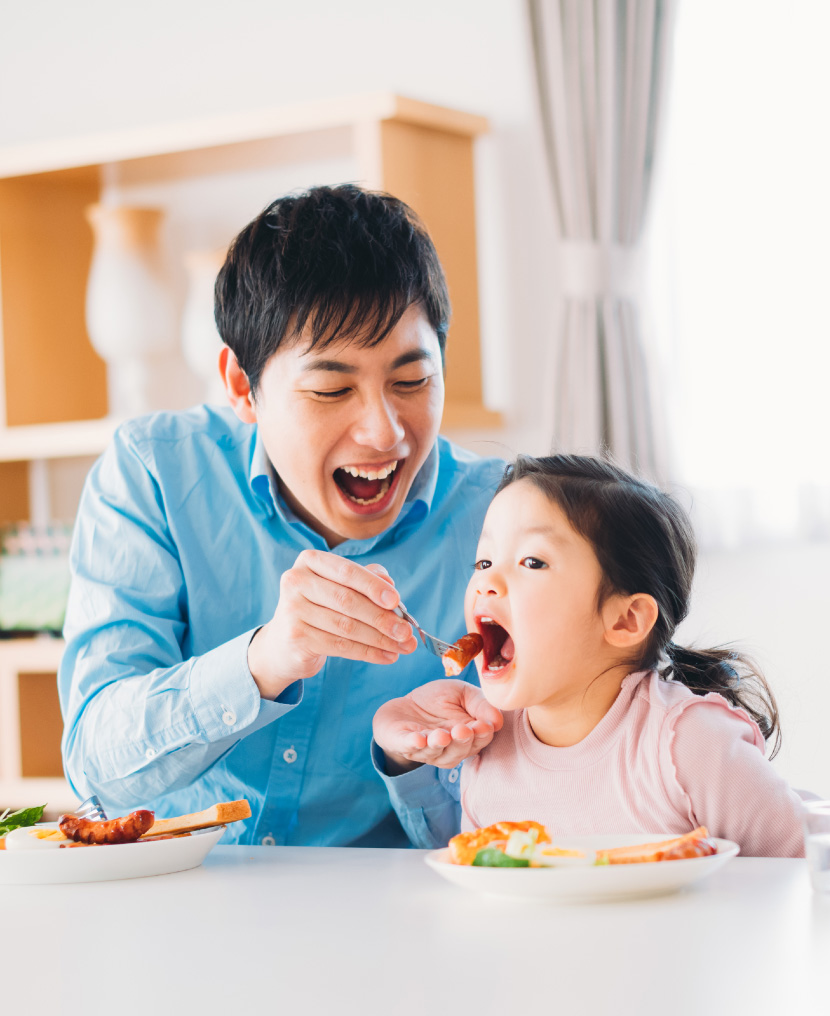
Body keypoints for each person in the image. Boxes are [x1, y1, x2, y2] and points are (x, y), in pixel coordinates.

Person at [58, 184, 505, 847]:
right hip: (185, 902)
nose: (385, 434)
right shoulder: (153, 471)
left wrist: (415, 761)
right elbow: (97, 766)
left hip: (387, 919)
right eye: (332, 388)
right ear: (243, 386)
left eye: (411, 381)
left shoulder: (503, 515)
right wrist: (265, 661)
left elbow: (535, 801)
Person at [372, 454, 805, 857]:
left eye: (532, 562)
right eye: (484, 562)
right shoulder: (488, 746)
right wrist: (405, 751)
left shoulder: (688, 743)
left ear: (626, 620)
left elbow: (802, 865)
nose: (487, 583)